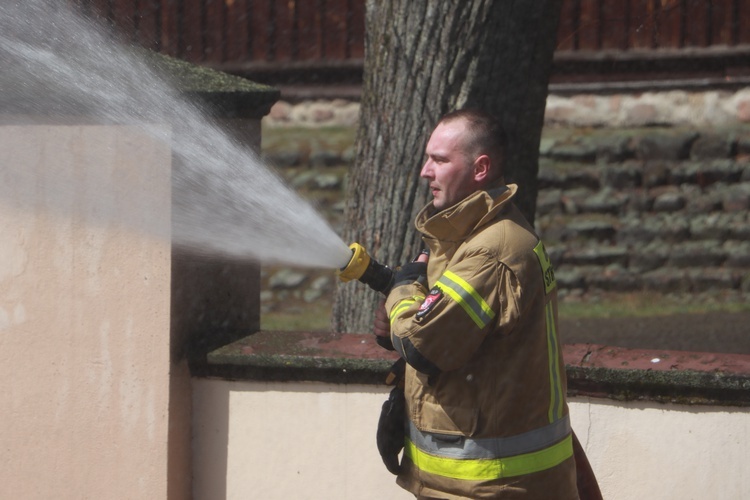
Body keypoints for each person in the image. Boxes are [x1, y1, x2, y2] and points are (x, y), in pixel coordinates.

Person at [372, 109, 580, 499]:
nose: (424, 171)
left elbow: (423, 344)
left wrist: (402, 292)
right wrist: (403, 319)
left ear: (480, 168)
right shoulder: (471, 240)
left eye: (439, 159)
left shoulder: (491, 251)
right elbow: (454, 338)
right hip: (468, 485)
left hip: (492, 487)